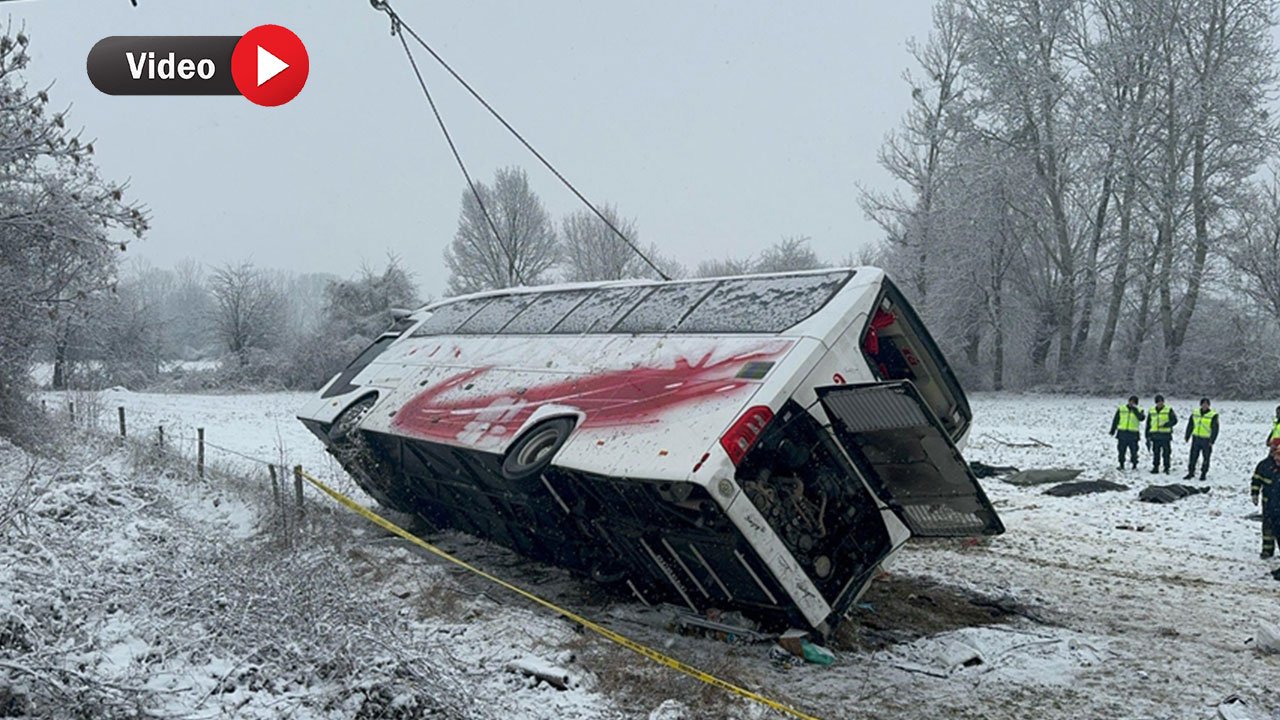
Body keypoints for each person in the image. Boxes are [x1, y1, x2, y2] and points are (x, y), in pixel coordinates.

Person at [1250, 438, 1280, 559]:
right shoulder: (1264, 465)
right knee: (1267, 526)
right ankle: (1267, 550)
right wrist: (1255, 493)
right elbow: (1256, 479)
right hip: (1268, 502)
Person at [1184, 397, 1219, 480]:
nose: (1205, 406)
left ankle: (1203, 473)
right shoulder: (1195, 413)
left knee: (1206, 457)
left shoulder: (1213, 415)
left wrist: (1212, 440)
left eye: (1206, 404)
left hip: (1206, 440)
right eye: (1203, 404)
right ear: (1201, 405)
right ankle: (1191, 472)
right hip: (1196, 438)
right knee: (1193, 457)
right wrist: (1187, 435)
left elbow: (1215, 429)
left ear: (1209, 405)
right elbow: (1190, 425)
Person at [1109, 395, 1145, 471]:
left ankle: (1134, 465)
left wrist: (1135, 410)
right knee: (1121, 450)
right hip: (1122, 433)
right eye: (1130, 401)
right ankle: (1121, 464)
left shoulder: (1139, 410)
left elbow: (1141, 418)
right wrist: (1113, 429)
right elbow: (1116, 419)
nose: (1131, 403)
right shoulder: (1121, 409)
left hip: (1133, 434)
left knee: (1134, 451)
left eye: (1134, 402)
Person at [1145, 394, 1177, 474]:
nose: (1160, 403)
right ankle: (1156, 467)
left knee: (1166, 453)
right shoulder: (1152, 411)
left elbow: (1174, 420)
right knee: (1156, 453)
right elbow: (1148, 424)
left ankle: (1166, 467)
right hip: (1155, 435)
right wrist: (1147, 435)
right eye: (1158, 402)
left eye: (1161, 402)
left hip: (1165, 435)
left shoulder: (1169, 410)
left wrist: (1167, 424)